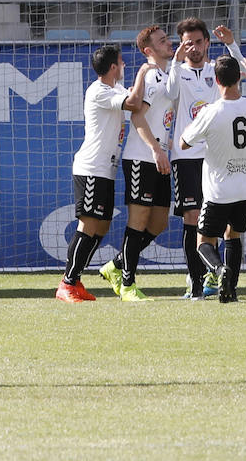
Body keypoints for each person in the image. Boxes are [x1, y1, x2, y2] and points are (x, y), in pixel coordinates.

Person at [180, 56, 246, 303]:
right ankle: (231, 292)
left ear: (216, 81)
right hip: (245, 189)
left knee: (203, 241)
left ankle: (218, 270)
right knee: (233, 236)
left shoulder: (211, 112)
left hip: (218, 191)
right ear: (239, 78)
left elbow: (184, 143)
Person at [55, 45, 152, 302]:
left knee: (103, 225)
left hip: (105, 170)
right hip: (91, 168)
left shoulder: (115, 89)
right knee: (88, 224)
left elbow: (135, 97)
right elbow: (133, 103)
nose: (124, 67)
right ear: (113, 67)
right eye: (121, 63)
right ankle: (67, 282)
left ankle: (75, 280)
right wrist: (143, 71)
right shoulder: (98, 91)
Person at [165, 18, 246, 300]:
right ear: (182, 46)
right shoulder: (176, 71)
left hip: (218, 154)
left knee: (221, 222)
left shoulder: (217, 70)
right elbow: (170, 94)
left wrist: (231, 44)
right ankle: (195, 282)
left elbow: (244, 72)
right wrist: (175, 62)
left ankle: (217, 276)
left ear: (207, 43)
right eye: (189, 43)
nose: (195, 48)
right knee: (191, 217)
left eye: (199, 42)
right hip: (186, 155)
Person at [99, 26, 175, 301]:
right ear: (148, 51)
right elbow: (137, 117)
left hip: (159, 157)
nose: (169, 43)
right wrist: (156, 149)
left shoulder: (167, 75)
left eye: (168, 39)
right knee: (139, 220)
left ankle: (116, 264)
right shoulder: (152, 76)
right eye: (162, 41)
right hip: (141, 157)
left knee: (160, 221)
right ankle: (128, 284)